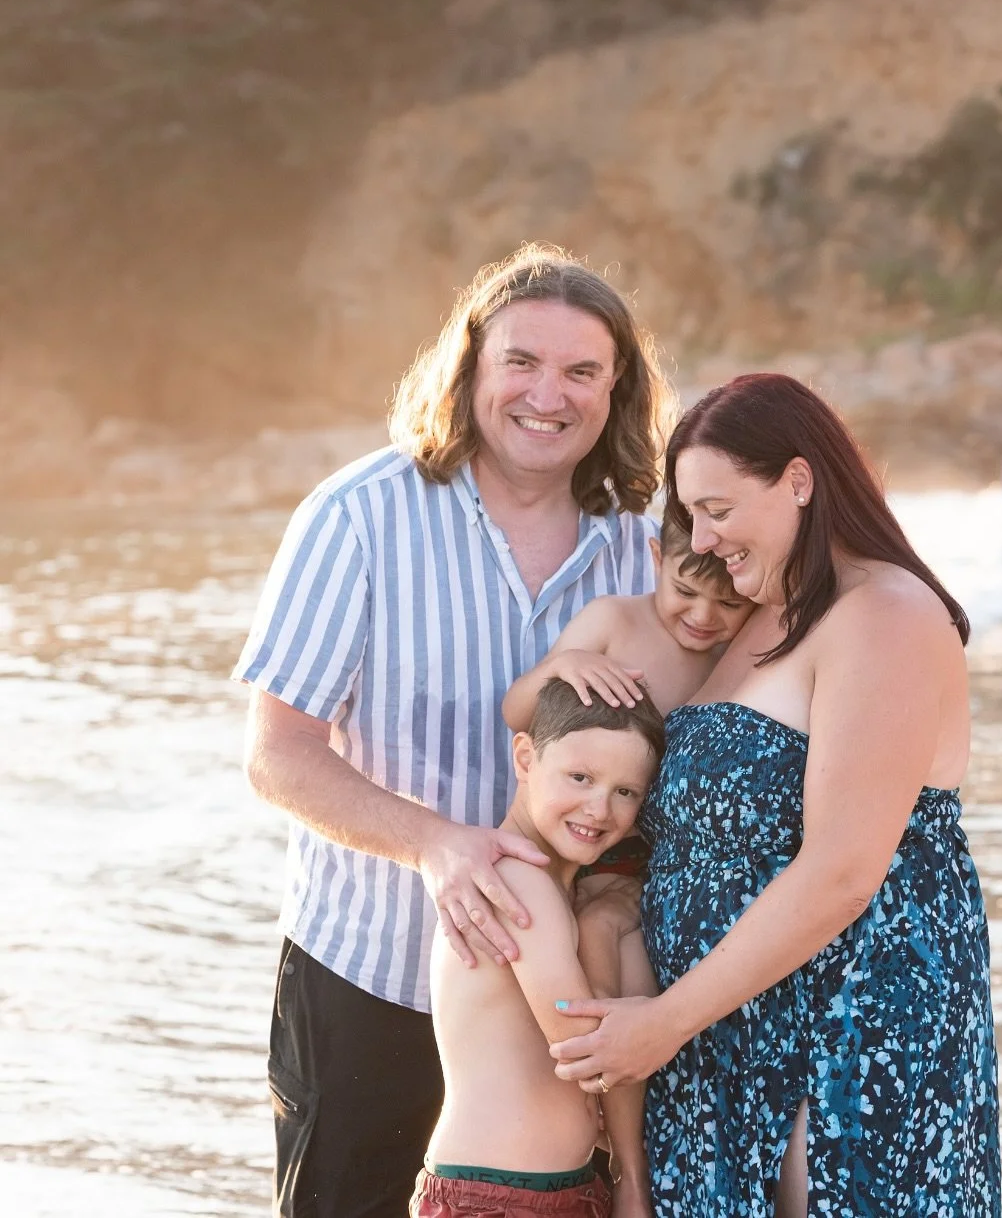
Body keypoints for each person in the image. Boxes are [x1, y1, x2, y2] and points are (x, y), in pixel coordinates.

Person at [232, 243, 676, 1218]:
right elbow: (277, 755)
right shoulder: (358, 516)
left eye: (581, 371)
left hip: (564, 1024)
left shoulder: (644, 549)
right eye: (520, 361)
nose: (546, 394)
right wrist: (437, 846)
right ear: (470, 367)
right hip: (373, 977)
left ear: (617, 391)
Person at [547, 373, 1001, 1217]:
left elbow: (845, 870)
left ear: (798, 480)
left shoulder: (887, 614)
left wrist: (667, 1020)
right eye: (691, 516)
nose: (705, 538)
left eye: (719, 508)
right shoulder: (752, 616)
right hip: (723, 1033)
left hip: (844, 1027)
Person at [411, 678, 666, 1218]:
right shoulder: (516, 880)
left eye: (626, 792)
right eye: (580, 777)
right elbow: (584, 1049)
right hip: (493, 1198)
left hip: (553, 1187)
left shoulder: (559, 887)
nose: (599, 808)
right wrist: (607, 929)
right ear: (526, 757)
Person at [502, 506, 755, 728]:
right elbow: (516, 714)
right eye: (685, 591)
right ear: (658, 558)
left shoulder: (738, 650)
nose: (702, 617)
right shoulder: (612, 620)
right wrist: (561, 666)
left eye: (729, 604)